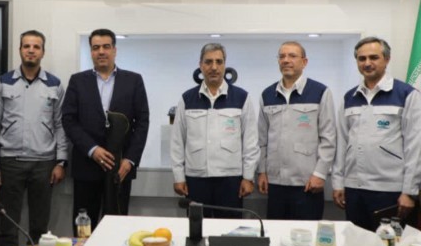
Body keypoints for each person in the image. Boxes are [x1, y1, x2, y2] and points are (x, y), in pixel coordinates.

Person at [62, 29, 149, 231]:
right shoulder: (77, 81)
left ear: (114, 50)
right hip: (86, 166)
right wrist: (92, 149)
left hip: (121, 168)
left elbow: (142, 122)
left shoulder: (134, 80)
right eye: (96, 47)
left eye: (106, 47)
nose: (101, 51)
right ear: (91, 52)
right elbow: (68, 120)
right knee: (83, 229)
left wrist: (130, 160)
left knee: (116, 229)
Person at [332, 36, 421, 231]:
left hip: (390, 191)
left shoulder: (407, 94)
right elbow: (341, 143)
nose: (367, 63)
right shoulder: (349, 97)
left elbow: (415, 147)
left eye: (374, 57)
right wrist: (338, 182)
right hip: (354, 190)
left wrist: (409, 192)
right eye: (361, 59)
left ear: (387, 59)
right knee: (357, 244)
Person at [0, 30, 68, 246]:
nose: (31, 50)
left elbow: (61, 125)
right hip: (9, 162)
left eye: (36, 47)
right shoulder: (3, 82)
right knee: (8, 224)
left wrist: (61, 162)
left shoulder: (54, 84)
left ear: (43, 52)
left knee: (39, 226)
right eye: (27, 46)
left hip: (44, 164)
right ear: (20, 50)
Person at [170, 43, 259, 217]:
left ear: (225, 64)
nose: (214, 67)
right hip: (196, 179)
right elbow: (177, 142)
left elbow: (250, 141)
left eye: (219, 61)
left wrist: (248, 177)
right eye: (208, 62)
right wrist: (178, 177)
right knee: (197, 227)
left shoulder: (241, 98)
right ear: (200, 65)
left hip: (230, 180)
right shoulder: (187, 99)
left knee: (229, 229)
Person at [257, 41, 336, 220]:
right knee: (276, 232)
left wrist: (320, 174)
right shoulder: (267, 95)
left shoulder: (320, 92)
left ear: (304, 62)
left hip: (307, 183)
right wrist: (262, 171)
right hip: (275, 183)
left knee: (307, 232)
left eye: (292, 56)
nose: (286, 60)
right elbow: (262, 140)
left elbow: (329, 138)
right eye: (282, 56)